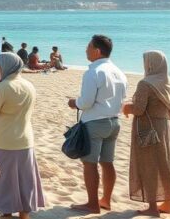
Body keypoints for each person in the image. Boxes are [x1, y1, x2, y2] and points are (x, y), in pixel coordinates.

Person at [67, 34, 128, 214]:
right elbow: (122, 98)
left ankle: (92, 203)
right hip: (114, 121)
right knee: (108, 163)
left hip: (95, 122)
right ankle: (106, 200)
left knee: (90, 163)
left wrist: (74, 103)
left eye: (88, 46)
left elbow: (86, 102)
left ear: (97, 51)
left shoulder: (93, 71)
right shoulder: (119, 72)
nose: (86, 49)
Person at [0, 53, 44, 219]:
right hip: (25, 140)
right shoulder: (29, 85)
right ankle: (24, 215)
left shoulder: (4, 87)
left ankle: (7, 214)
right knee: (24, 181)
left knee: (4, 183)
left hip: (4, 141)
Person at [123, 50, 170, 216]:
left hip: (148, 129)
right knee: (167, 165)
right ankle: (168, 203)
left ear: (150, 64)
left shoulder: (145, 84)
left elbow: (139, 109)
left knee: (149, 166)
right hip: (166, 128)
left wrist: (126, 107)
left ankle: (153, 207)